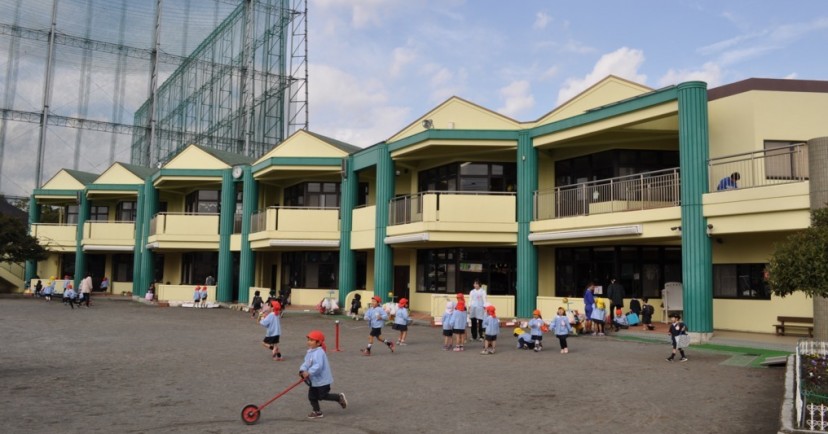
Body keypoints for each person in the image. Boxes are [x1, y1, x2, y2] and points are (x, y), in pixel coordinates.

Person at [299, 330, 347, 419]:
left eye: (311, 340)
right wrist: (302, 370)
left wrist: (309, 372)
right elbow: (306, 363)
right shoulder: (310, 351)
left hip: (323, 380)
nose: (309, 342)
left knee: (322, 396)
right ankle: (317, 411)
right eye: (308, 339)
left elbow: (318, 366)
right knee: (312, 397)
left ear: (318, 343)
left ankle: (338, 397)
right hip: (314, 380)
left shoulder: (319, 353)